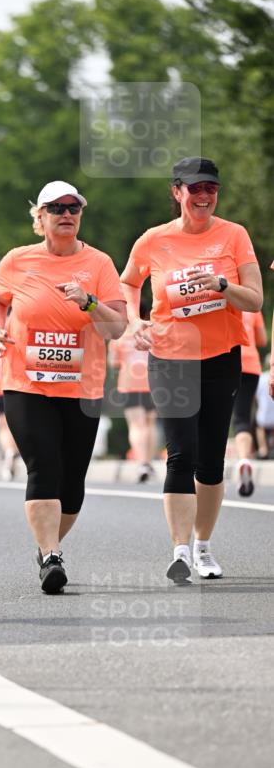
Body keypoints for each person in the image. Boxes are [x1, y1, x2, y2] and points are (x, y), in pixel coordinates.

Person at [120, 157, 263, 583]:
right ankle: (180, 550)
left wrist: (222, 285)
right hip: (171, 357)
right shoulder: (153, 240)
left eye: (211, 189)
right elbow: (128, 282)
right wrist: (134, 319)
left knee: (211, 460)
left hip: (221, 356)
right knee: (180, 454)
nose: (204, 197)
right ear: (177, 191)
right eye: (195, 189)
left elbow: (254, 300)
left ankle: (203, 547)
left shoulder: (234, 236)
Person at [0, 180, 126, 594]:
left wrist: (89, 302)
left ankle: (50, 545)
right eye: (56, 208)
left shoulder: (99, 264)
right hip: (26, 383)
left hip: (83, 388)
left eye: (73, 208)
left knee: (72, 484)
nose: (66, 214)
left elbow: (117, 327)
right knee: (43, 467)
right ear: (40, 218)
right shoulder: (17, 260)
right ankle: (51, 555)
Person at [108, 302, 158, 483]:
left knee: (137, 425)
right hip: (153, 383)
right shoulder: (154, 331)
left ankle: (141, 463)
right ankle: (149, 463)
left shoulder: (121, 335)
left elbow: (113, 362)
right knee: (150, 423)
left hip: (129, 384)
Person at [231, 309, 266, 495]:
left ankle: (207, 466)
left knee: (215, 414)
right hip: (251, 364)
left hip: (225, 361)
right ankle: (244, 459)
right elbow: (262, 339)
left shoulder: (218, 293)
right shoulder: (252, 302)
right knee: (242, 417)